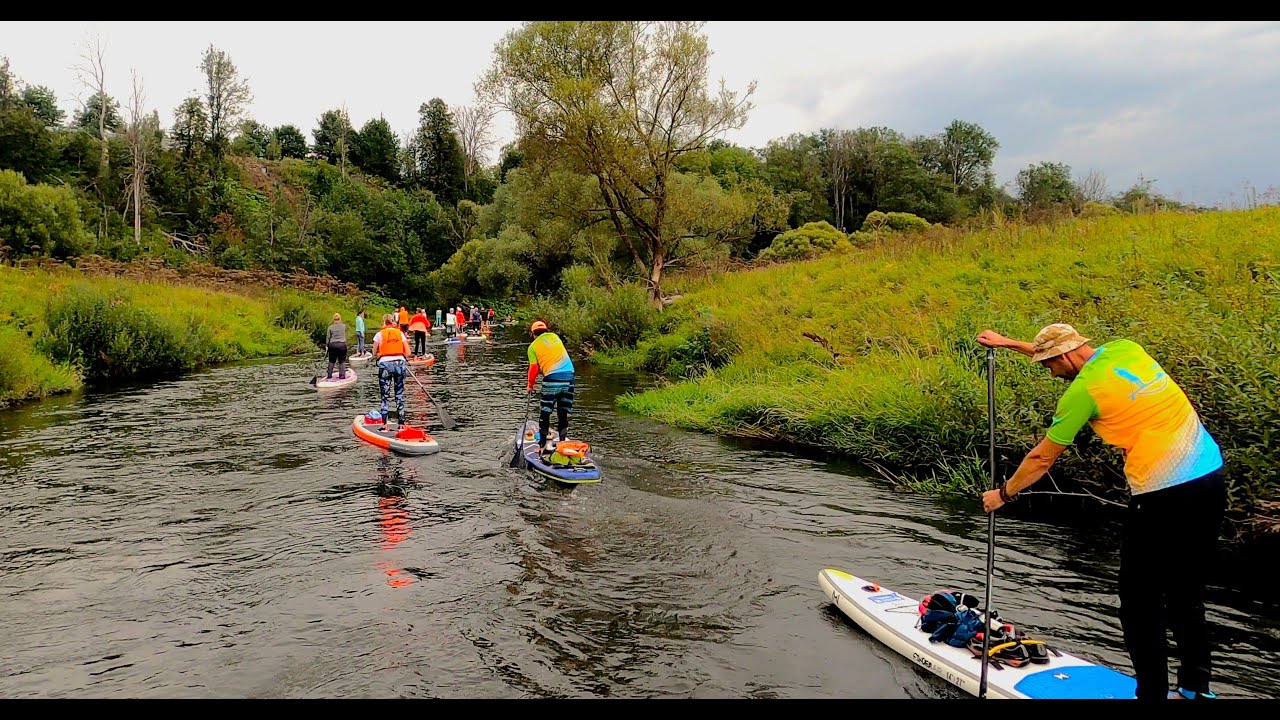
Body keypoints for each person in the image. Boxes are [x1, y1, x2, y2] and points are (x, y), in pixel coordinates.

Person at [976, 323, 1226, 701]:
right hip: (1210, 478)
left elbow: (1042, 458)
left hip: (1161, 495)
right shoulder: (1125, 350)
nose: (1051, 374)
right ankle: (1196, 690)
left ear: (1061, 358)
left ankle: (1152, 696)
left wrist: (1004, 494)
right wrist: (1009, 343)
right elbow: (1072, 358)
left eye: (1049, 366)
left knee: (1140, 603)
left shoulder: (1081, 394)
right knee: (1185, 593)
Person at [526, 320, 576, 455]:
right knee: (563, 411)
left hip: (552, 378)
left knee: (545, 412)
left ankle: (542, 446)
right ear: (546, 330)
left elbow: (534, 369)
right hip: (569, 376)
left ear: (533, 334)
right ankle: (563, 441)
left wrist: (530, 385)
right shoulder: (555, 337)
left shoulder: (532, 347)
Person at [372, 313, 409, 427]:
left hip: (385, 364)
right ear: (392, 322)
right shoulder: (400, 333)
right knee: (399, 394)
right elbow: (408, 352)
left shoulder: (379, 334)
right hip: (400, 363)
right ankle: (401, 423)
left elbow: (374, 353)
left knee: (385, 395)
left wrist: (380, 353)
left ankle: (384, 424)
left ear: (384, 322)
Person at [325, 313, 349, 380]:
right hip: (342, 345)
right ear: (340, 319)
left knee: (331, 361)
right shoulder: (344, 326)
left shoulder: (330, 327)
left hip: (332, 345)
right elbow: (346, 335)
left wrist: (327, 345)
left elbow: (328, 337)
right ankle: (342, 376)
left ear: (333, 319)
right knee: (342, 361)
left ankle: (329, 375)